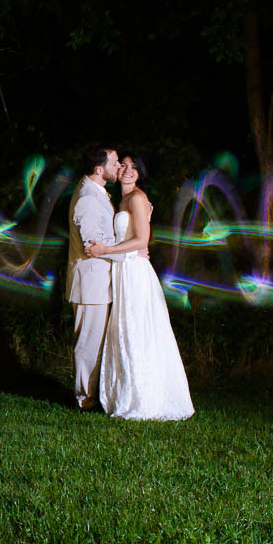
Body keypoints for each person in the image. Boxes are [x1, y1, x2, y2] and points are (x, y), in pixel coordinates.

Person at [86, 153, 194, 420]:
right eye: (124, 164)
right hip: (122, 271)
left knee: (135, 329)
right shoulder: (120, 200)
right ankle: (123, 393)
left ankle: (144, 398)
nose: (127, 170)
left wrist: (105, 250)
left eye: (134, 167)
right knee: (123, 328)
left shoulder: (136, 198)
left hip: (134, 271)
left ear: (140, 173)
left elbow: (141, 240)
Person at [66, 144, 142, 411]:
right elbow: (92, 245)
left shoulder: (97, 191)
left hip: (99, 281)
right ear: (99, 169)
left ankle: (93, 394)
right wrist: (129, 252)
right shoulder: (87, 197)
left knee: (95, 341)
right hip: (90, 283)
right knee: (88, 342)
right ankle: (84, 399)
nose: (119, 166)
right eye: (114, 163)